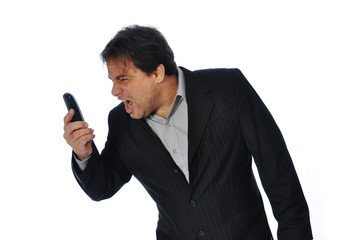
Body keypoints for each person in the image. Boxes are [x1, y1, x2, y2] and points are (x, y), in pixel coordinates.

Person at [63, 25, 312, 240]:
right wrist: (83, 154)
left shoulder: (229, 90)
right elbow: (102, 187)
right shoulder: (121, 122)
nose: (115, 91)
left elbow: (281, 179)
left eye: (123, 79)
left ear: (157, 73)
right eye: (112, 81)